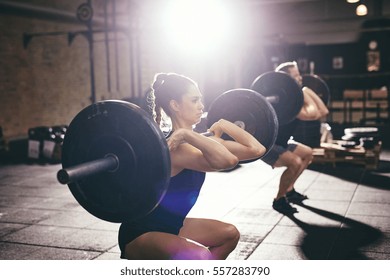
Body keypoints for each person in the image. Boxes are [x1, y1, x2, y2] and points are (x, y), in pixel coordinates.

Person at [118, 72, 266, 260]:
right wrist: (185, 135)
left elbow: (257, 149)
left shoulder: (197, 142)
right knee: (200, 256)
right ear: (175, 105)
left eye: (201, 100)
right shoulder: (176, 149)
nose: (201, 106)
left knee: (229, 234)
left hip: (173, 226)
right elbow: (228, 161)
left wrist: (224, 124)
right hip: (142, 232)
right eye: (194, 100)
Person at [261, 61, 329, 214]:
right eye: (296, 76)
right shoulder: (286, 102)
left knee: (307, 153)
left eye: (299, 76)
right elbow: (313, 114)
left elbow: (323, 110)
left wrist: (305, 90)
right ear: (286, 80)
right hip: (268, 145)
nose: (300, 79)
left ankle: (289, 190)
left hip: (282, 142)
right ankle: (279, 200)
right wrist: (305, 92)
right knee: (295, 162)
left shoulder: (295, 97)